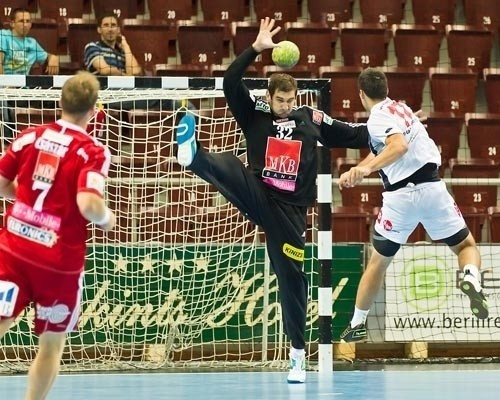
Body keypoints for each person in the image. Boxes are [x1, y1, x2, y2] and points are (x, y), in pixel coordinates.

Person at [176, 17, 371, 384]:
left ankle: (297, 355)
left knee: (292, 279)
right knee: (231, 166)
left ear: (296, 98)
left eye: (289, 100)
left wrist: (391, 128)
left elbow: (352, 134)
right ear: (269, 97)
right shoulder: (255, 114)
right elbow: (229, 82)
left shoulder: (309, 118)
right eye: (279, 100)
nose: (284, 105)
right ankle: (193, 156)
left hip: (291, 214)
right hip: (260, 194)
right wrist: (255, 48)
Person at [339, 68, 488, 343]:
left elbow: (398, 147)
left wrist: (364, 169)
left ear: (361, 95)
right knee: (466, 246)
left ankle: (357, 324)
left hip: (400, 198)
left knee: (378, 262)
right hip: (432, 189)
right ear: (386, 89)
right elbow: (395, 141)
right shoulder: (402, 109)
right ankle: (470, 276)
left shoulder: (376, 119)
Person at [0, 71, 115, 400]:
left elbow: (1, 182)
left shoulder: (30, 136)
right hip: (57, 264)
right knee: (51, 344)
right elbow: (88, 204)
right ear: (92, 111)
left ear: (60, 101)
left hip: (14, 250)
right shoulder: (93, 151)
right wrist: (107, 218)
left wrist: (24, 199)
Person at [0, 8, 59, 75]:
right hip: (5, 80)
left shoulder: (32, 43)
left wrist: (53, 57)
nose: (25, 25)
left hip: (24, 81)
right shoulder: (3, 35)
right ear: (12, 23)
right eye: (21, 21)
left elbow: (47, 56)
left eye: (28, 21)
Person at [83, 11, 142, 76]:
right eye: (106, 25)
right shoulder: (92, 46)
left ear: (118, 30)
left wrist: (126, 47)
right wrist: (126, 76)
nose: (110, 29)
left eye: (113, 25)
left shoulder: (124, 52)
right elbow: (105, 70)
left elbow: (135, 73)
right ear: (99, 29)